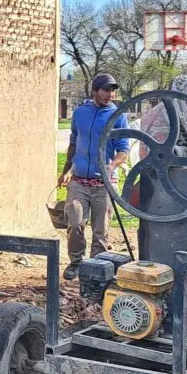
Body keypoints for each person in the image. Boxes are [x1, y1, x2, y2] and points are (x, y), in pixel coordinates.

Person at [58, 73, 130, 280]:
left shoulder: (118, 116)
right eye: (106, 90)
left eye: (113, 90)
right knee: (75, 223)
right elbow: (73, 142)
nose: (110, 94)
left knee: (101, 231)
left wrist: (113, 164)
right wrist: (66, 171)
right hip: (79, 181)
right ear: (95, 91)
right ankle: (76, 262)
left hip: (104, 183)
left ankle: (95, 269)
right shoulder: (80, 113)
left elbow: (123, 149)